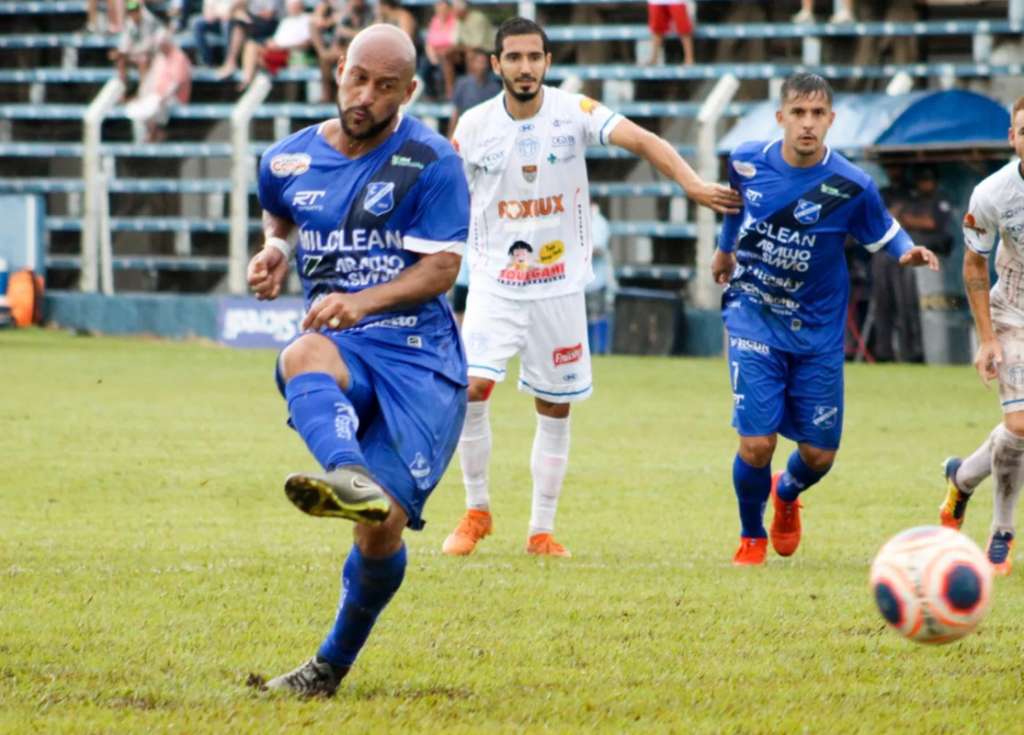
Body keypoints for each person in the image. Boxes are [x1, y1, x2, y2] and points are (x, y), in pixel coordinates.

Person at [444, 17, 740, 558]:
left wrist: (692, 183)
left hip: (559, 285)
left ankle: (540, 530)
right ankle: (476, 510)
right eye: (513, 57)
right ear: (495, 65)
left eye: (534, 56)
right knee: (471, 390)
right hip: (494, 282)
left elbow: (643, 139)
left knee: (555, 407)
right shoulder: (472, 126)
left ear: (548, 62)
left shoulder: (573, 112)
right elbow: (443, 191)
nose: (525, 67)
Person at [247, 23, 470, 697]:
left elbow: (441, 269)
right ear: (338, 70)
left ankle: (329, 665)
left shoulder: (431, 160)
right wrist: (275, 254)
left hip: (420, 361)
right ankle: (347, 474)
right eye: (357, 78)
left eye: (384, 86)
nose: (365, 95)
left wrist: (362, 299)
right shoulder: (286, 159)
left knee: (382, 535)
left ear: (407, 91)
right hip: (345, 343)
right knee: (302, 351)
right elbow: (282, 214)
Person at [714, 72, 938, 566]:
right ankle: (750, 537)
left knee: (819, 456)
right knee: (756, 443)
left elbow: (887, 230)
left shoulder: (852, 185)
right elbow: (734, 207)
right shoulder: (747, 161)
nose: (808, 124)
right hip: (755, 316)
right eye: (798, 113)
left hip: (817, 331)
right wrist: (724, 250)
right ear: (781, 118)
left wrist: (907, 252)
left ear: (831, 120)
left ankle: (788, 494)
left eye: (817, 114)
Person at [938, 97, 1024, 576]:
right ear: (1012, 138)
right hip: (1013, 311)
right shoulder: (993, 194)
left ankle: (963, 476)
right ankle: (1002, 534)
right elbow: (974, 263)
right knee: (1019, 427)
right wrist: (988, 338)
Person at [869, 164, 923, 362]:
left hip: (906, 253)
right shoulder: (881, 192)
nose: (894, 171)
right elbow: (878, 221)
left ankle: (911, 353)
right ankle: (883, 353)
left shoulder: (912, 193)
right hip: (882, 254)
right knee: (882, 304)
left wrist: (903, 217)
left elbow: (923, 221)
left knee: (906, 305)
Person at [125, 30, 192, 142]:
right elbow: (151, 80)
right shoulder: (160, 58)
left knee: (155, 105)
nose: (160, 48)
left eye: (161, 45)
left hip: (175, 97)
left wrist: (163, 97)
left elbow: (177, 84)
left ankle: (154, 134)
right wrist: (141, 95)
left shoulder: (179, 57)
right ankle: (141, 141)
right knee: (138, 107)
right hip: (158, 95)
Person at [239, 0, 311, 89]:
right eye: (291, 5)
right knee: (251, 46)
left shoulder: (307, 19)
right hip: (276, 50)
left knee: (256, 55)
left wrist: (281, 47)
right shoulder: (286, 20)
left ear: (301, 6)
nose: (292, 7)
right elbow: (277, 39)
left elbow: (306, 44)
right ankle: (250, 79)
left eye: (295, 5)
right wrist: (271, 43)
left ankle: (251, 81)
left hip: (290, 53)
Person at [310, 0, 372, 102]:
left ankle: (341, 96)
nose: (354, 3)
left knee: (333, 57)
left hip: (363, 50)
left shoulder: (370, 13)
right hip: (346, 49)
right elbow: (338, 39)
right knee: (325, 59)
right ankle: (327, 96)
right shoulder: (347, 16)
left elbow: (368, 35)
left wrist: (348, 33)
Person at [216, 0, 282, 81]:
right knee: (235, 21)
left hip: (270, 24)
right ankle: (231, 63)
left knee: (239, 25)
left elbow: (269, 14)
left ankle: (231, 63)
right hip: (253, 25)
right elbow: (232, 11)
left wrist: (249, 17)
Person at [447, 46, 500, 135]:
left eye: (484, 62)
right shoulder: (462, 84)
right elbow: (455, 112)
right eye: (478, 62)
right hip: (466, 130)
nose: (481, 66)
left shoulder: (495, 88)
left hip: (487, 132)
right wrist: (451, 134)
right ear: (473, 64)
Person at [110, 0, 164, 84]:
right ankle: (123, 89)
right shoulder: (129, 24)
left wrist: (131, 51)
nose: (134, 14)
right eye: (131, 11)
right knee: (121, 60)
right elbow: (124, 43)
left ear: (139, 10)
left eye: (135, 11)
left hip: (152, 54)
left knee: (143, 59)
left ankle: (143, 91)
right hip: (136, 53)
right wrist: (120, 52)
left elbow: (148, 45)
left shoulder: (149, 21)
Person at [645, 0, 694, 66]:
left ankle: (689, 59)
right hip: (656, 2)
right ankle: (654, 59)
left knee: (684, 28)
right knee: (657, 29)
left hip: (677, 2)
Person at [192, 0, 232, 66]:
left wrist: (220, 14)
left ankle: (228, 61)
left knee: (226, 24)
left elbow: (231, 13)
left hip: (230, 22)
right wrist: (216, 15)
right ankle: (208, 61)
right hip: (215, 21)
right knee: (198, 24)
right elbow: (207, 13)